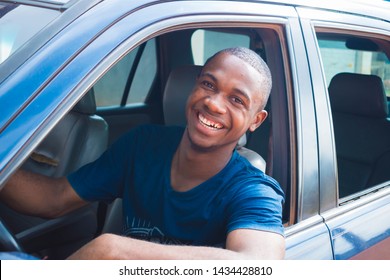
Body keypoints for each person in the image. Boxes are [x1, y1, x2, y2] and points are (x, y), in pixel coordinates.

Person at [0, 47, 285, 259]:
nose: (214, 104)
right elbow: (53, 199)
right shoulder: (143, 145)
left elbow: (258, 267)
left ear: (255, 120)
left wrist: (115, 251)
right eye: (208, 84)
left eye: (236, 100)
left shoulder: (253, 191)